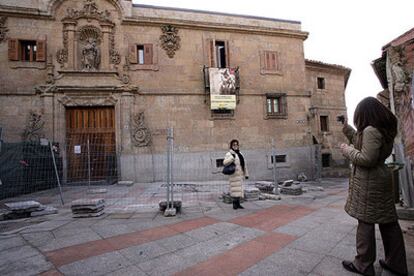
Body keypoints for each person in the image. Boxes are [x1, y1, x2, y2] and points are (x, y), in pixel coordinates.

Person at [339, 97, 408, 276]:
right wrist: (347, 129)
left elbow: (366, 159)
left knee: (365, 221)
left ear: (364, 114)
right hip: (381, 179)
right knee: (388, 222)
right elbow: (364, 143)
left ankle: (363, 264)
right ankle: (396, 263)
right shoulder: (381, 129)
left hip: (371, 181)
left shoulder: (370, 130)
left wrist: (347, 151)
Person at [223, 139, 249, 209]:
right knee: (235, 190)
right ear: (231, 145)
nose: (235, 146)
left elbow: (244, 165)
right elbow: (225, 162)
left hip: (240, 175)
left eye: (236, 144)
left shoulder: (240, 153)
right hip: (234, 175)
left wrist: (246, 174)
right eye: (234, 145)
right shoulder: (229, 154)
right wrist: (232, 157)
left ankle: (238, 204)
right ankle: (234, 204)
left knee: (239, 190)